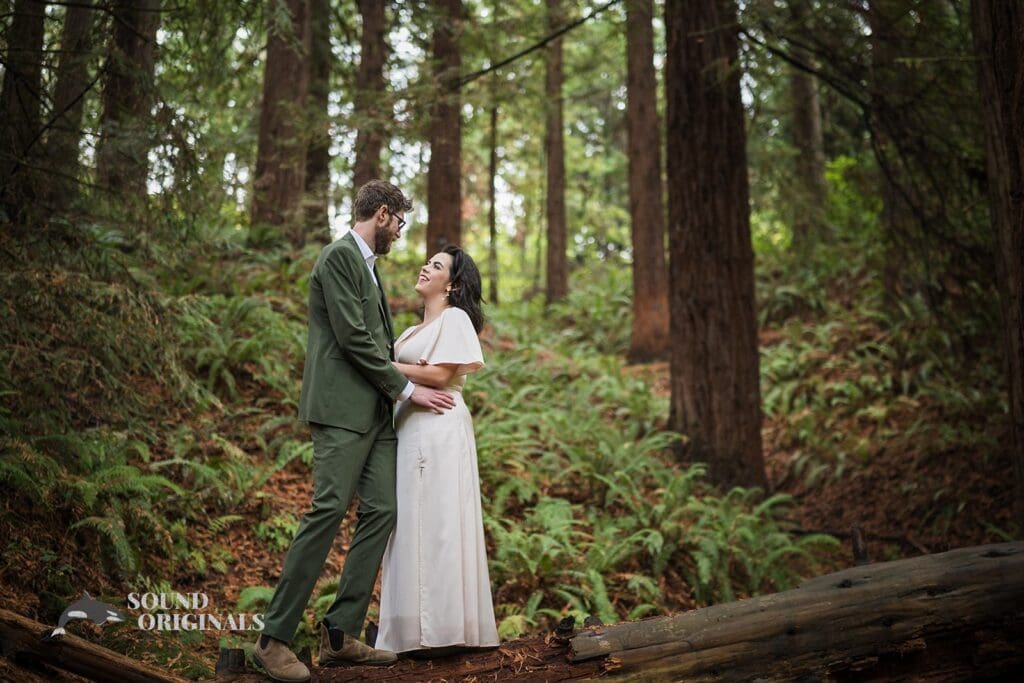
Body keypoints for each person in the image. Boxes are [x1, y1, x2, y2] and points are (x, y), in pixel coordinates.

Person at [254, 181, 456, 683]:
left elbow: (379, 344)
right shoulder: (339, 257)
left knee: (383, 511)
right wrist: (407, 391)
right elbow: (355, 341)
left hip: (375, 415)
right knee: (326, 510)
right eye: (400, 223)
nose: (400, 233)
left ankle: (340, 636)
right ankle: (272, 639)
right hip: (342, 411)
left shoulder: (368, 266)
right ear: (382, 214)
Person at [375, 245, 500, 654]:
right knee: (409, 522)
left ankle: (448, 629)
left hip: (441, 428)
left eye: (437, 266)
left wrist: (385, 366)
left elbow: (442, 374)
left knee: (443, 522)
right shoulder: (410, 334)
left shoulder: (456, 319)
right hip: (408, 430)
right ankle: (409, 633)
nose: (426, 267)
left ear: (454, 284)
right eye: (427, 262)